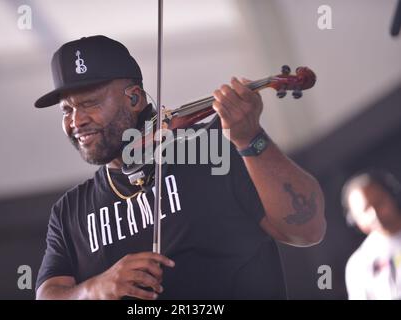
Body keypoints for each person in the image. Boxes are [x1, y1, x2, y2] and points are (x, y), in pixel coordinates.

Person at [34, 35, 326, 300]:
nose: (77, 120)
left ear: (135, 98)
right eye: (67, 110)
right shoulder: (69, 212)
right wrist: (95, 289)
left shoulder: (214, 147)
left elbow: (307, 229)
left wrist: (250, 139)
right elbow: (48, 294)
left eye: (90, 103)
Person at [342, 170, 401, 300]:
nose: (374, 214)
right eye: (365, 210)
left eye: (379, 203)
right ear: (354, 220)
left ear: (391, 195)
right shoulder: (358, 264)